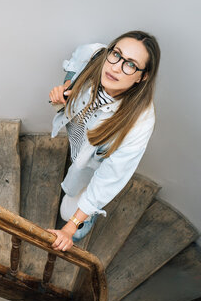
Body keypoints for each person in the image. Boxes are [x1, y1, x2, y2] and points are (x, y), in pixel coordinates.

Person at [47, 30, 161, 252]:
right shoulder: (96, 55)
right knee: (75, 168)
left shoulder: (139, 122)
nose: (116, 66)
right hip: (79, 145)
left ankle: (85, 223)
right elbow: (77, 58)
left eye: (130, 65)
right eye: (116, 54)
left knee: (67, 214)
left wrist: (71, 227)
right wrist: (67, 85)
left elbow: (110, 178)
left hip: (93, 166)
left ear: (142, 76)